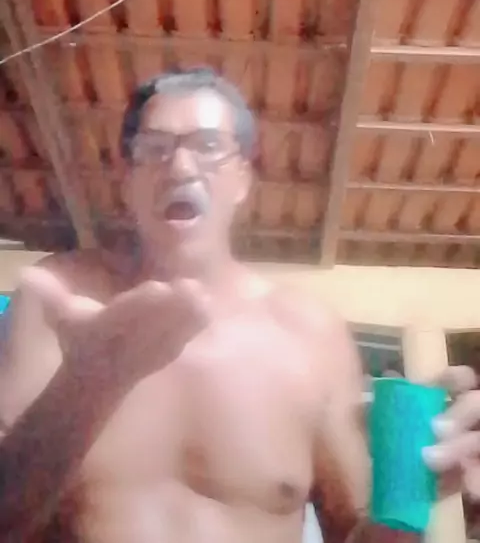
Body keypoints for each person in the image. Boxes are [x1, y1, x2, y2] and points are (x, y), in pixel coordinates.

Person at [0, 67, 478, 543]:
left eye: (208, 146)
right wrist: (88, 382)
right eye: (154, 148)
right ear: (128, 182)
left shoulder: (310, 334)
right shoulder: (60, 299)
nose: (181, 168)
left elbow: (354, 535)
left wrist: (406, 498)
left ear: (243, 179)